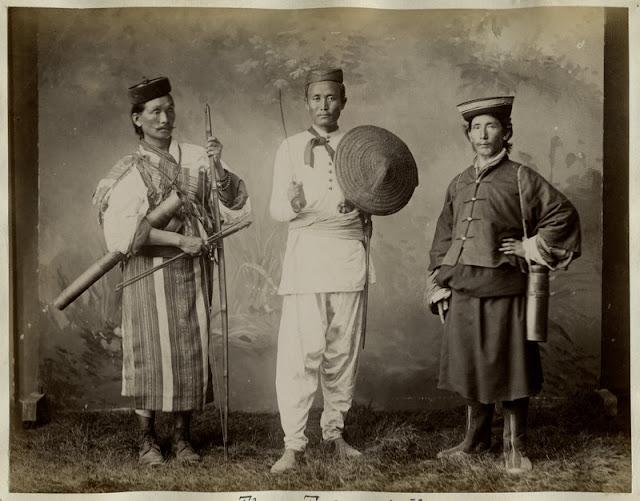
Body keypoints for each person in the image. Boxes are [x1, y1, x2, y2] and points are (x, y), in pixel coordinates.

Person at [93, 76, 250, 465]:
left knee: (188, 351)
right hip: (148, 272)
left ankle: (182, 439)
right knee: (149, 351)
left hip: (193, 271)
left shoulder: (197, 156)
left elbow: (236, 203)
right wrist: (180, 240)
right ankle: (147, 440)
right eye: (155, 111)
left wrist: (219, 170)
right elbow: (122, 236)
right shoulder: (128, 170)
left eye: (169, 108)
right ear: (137, 119)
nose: (165, 118)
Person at [425, 96, 581, 473]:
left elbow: (563, 215)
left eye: (491, 126)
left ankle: (515, 447)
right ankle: (474, 441)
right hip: (462, 287)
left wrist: (528, 247)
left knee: (509, 367)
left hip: (505, 288)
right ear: (468, 135)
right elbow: (443, 236)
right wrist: (439, 283)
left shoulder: (520, 177)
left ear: (506, 132)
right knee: (470, 366)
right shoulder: (458, 182)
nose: (483, 134)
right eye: (475, 127)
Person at [268, 68, 373, 473]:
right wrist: (292, 202)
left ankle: (335, 432)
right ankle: (293, 443)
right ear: (306, 102)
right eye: (316, 98)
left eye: (331, 98)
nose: (324, 105)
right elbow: (276, 211)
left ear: (343, 101)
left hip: (348, 253)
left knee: (341, 350)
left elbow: (379, 197)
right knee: (300, 351)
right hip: (307, 255)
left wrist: (362, 205)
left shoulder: (359, 145)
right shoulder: (289, 147)